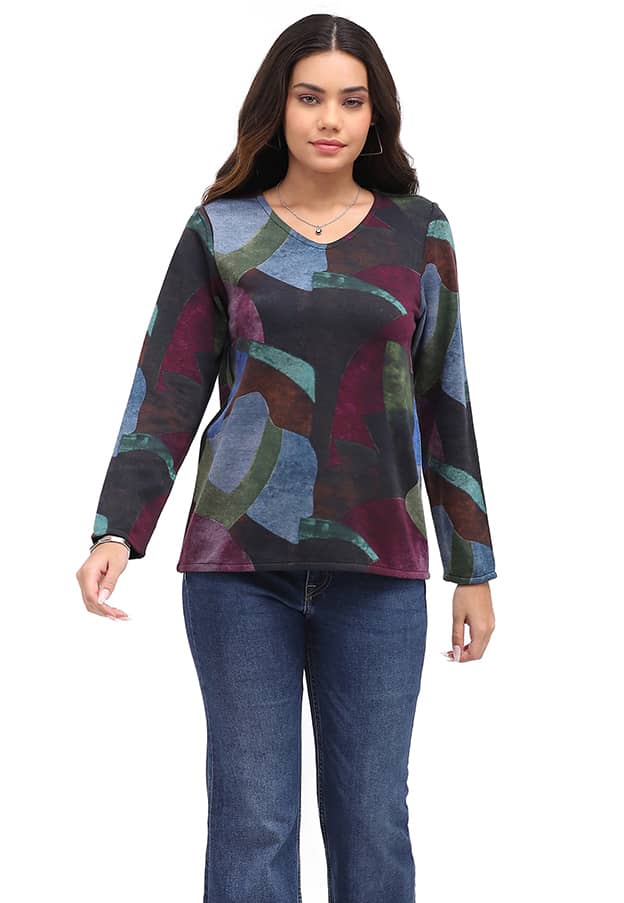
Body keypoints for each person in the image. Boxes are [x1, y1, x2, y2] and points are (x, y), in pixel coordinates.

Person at [76, 13, 497, 903]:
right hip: (238, 571)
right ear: (280, 106)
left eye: (351, 100)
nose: (330, 119)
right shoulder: (220, 230)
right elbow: (167, 386)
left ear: (376, 115)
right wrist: (118, 529)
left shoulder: (418, 231)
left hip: (381, 569)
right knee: (252, 822)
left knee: (374, 820)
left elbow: (444, 397)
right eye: (310, 98)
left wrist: (474, 566)